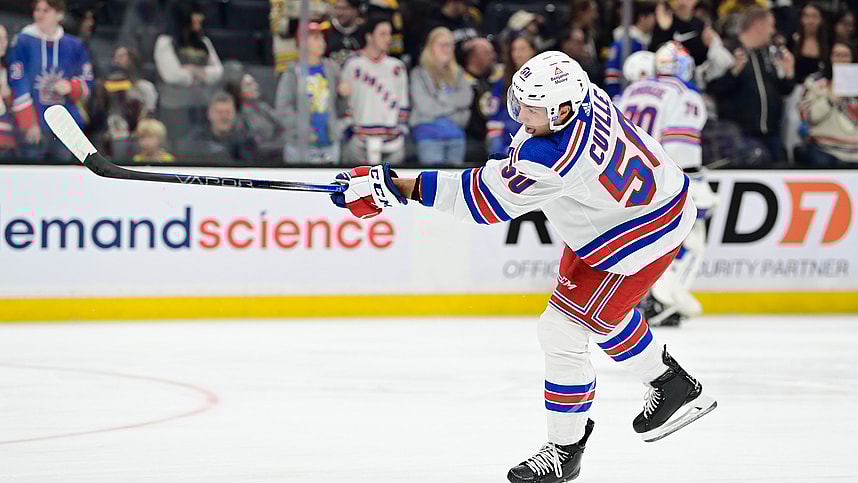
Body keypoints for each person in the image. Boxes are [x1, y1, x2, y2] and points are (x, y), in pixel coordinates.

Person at [329, 50, 717, 482]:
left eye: (532, 109)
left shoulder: (552, 153)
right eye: (521, 102)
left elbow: (482, 199)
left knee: (563, 330)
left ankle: (565, 448)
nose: (522, 114)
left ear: (563, 109)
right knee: (602, 316)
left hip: (638, 234)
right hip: (624, 216)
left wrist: (392, 186)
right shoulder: (586, 96)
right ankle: (670, 384)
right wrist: (392, 184)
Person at [616, 42, 715, 327]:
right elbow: (681, 150)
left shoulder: (631, 91)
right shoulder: (685, 94)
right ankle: (665, 299)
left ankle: (642, 299)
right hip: (662, 176)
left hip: (625, 177)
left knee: (641, 241)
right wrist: (694, 184)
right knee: (689, 237)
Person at [8, 0, 94, 163]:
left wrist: (71, 86)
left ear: (59, 14)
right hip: (36, 124)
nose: (39, 15)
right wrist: (28, 122)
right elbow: (17, 81)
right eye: (37, 10)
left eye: (46, 10)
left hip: (67, 127)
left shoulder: (74, 45)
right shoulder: (23, 41)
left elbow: (87, 79)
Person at [707, 6, 796, 165]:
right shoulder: (727, 51)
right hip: (740, 134)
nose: (773, 30)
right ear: (758, 24)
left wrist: (788, 72)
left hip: (772, 133)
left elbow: (785, 90)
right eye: (771, 25)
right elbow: (712, 89)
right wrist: (733, 73)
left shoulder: (769, 54)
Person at [339, 15, 409, 165]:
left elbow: (403, 102)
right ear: (369, 36)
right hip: (359, 140)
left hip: (392, 141)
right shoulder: (352, 64)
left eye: (389, 34)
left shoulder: (396, 67)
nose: (388, 39)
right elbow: (345, 102)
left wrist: (402, 129)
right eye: (383, 34)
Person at [153, 1, 224, 142]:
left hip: (203, 106)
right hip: (174, 110)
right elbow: (173, 76)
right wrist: (202, 74)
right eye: (196, 15)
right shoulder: (165, 42)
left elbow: (218, 72)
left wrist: (192, 70)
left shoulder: (204, 42)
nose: (200, 19)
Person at [276, 22, 341, 164]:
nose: (322, 42)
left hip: (329, 143)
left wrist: (343, 95)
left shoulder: (332, 69)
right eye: (316, 38)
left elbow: (340, 105)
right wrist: (303, 129)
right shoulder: (292, 72)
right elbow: (283, 108)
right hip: (300, 146)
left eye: (322, 38)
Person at [409, 26, 473, 165]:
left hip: (456, 135)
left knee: (455, 184)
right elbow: (426, 107)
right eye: (442, 45)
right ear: (431, 47)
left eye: (450, 45)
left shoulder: (458, 72)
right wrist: (455, 108)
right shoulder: (419, 74)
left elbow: (466, 98)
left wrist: (441, 98)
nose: (447, 49)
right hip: (429, 136)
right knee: (433, 183)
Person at [799, 42, 858, 167]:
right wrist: (830, 99)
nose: (840, 60)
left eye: (844, 56)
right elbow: (808, 117)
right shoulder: (814, 82)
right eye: (836, 55)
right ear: (829, 58)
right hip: (825, 150)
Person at [488, 33, 537, 156]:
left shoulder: (544, 81)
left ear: (533, 51)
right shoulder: (502, 81)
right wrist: (497, 142)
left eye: (522, 49)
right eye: (514, 50)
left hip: (534, 135)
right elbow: (494, 114)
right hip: (505, 137)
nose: (518, 54)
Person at [177, 90, 257, 163]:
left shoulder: (245, 139)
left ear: (235, 115)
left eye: (228, 112)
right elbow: (183, 150)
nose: (224, 117)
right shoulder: (197, 138)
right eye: (219, 112)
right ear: (209, 115)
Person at [604, 1, 657, 98]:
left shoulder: (643, 41)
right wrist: (615, 99)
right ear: (643, 18)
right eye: (653, 17)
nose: (655, 21)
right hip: (622, 98)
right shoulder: (624, 43)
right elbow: (612, 75)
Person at [792, 3, 828, 85]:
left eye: (815, 16)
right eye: (806, 16)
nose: (810, 21)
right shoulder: (792, 42)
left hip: (820, 90)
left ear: (821, 19)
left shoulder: (829, 44)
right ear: (801, 19)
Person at [323, 0, 364, 66]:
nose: (339, 13)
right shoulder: (326, 30)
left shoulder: (365, 33)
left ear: (356, 11)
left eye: (344, 9)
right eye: (337, 8)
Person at [0, 24, 15, 156]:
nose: (4, 43)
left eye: (5, 38)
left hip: (7, 143)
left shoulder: (9, 70)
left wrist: (9, 97)